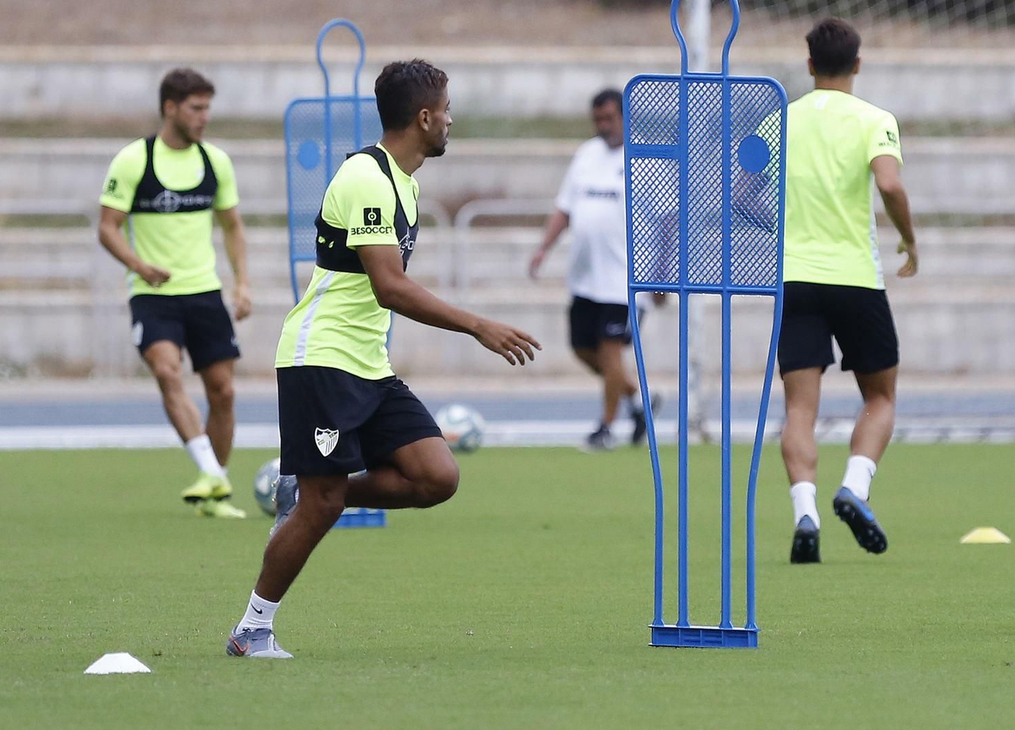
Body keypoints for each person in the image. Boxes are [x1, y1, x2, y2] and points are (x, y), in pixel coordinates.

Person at [226, 59, 540, 658]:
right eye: (446, 109)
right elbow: (389, 287)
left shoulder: (405, 182)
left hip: (366, 362)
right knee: (325, 504)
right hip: (321, 359)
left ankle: (305, 491)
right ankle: (253, 629)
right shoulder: (366, 178)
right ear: (424, 117)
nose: (451, 119)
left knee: (435, 477)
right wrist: (478, 326)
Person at [777, 18, 918, 565]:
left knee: (799, 411)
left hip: (794, 278)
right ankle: (854, 488)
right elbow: (888, 183)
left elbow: (742, 189)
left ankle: (805, 512)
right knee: (879, 397)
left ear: (809, 64)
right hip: (856, 277)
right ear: (858, 64)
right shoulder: (874, 119)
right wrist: (909, 241)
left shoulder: (779, 121)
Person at [98, 68, 251, 519]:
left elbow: (232, 226)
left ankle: (214, 490)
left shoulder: (215, 162)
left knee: (222, 392)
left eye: (208, 108)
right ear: (170, 107)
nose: (204, 117)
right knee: (167, 371)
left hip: (204, 292)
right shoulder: (134, 161)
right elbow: (108, 228)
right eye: (196, 108)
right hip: (152, 294)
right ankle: (212, 474)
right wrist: (139, 266)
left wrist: (242, 282)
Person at [528, 89, 658, 451]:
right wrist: (543, 249)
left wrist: (663, 271)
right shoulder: (586, 155)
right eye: (597, 119)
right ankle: (637, 399)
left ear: (626, 117)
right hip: (585, 277)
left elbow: (669, 221)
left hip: (624, 280)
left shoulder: (645, 160)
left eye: (609, 119)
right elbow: (564, 208)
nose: (603, 126)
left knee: (611, 350)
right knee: (584, 349)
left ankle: (605, 427)